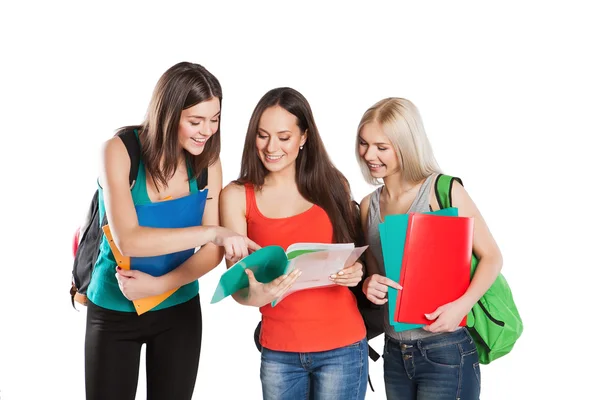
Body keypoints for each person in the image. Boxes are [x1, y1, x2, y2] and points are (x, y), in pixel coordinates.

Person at [86, 61, 257, 400]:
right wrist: (211, 232)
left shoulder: (208, 162)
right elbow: (129, 238)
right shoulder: (118, 151)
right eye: (195, 121)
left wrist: (161, 285)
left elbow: (213, 252)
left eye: (214, 119)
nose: (206, 131)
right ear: (168, 115)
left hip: (178, 307)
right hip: (114, 308)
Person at [220, 87, 369, 400]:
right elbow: (236, 284)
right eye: (262, 135)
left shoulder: (334, 185)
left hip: (343, 347)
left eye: (284, 137)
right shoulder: (236, 196)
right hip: (279, 351)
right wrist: (255, 294)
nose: (271, 147)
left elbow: (355, 255)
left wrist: (356, 272)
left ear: (304, 138)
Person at [358, 98, 503, 400]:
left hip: (446, 348)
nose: (369, 154)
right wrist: (370, 285)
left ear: (406, 145)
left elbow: (492, 257)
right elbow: (377, 277)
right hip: (395, 351)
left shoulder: (443, 190)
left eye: (381, 147)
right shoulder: (368, 206)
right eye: (364, 143)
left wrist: (461, 306)